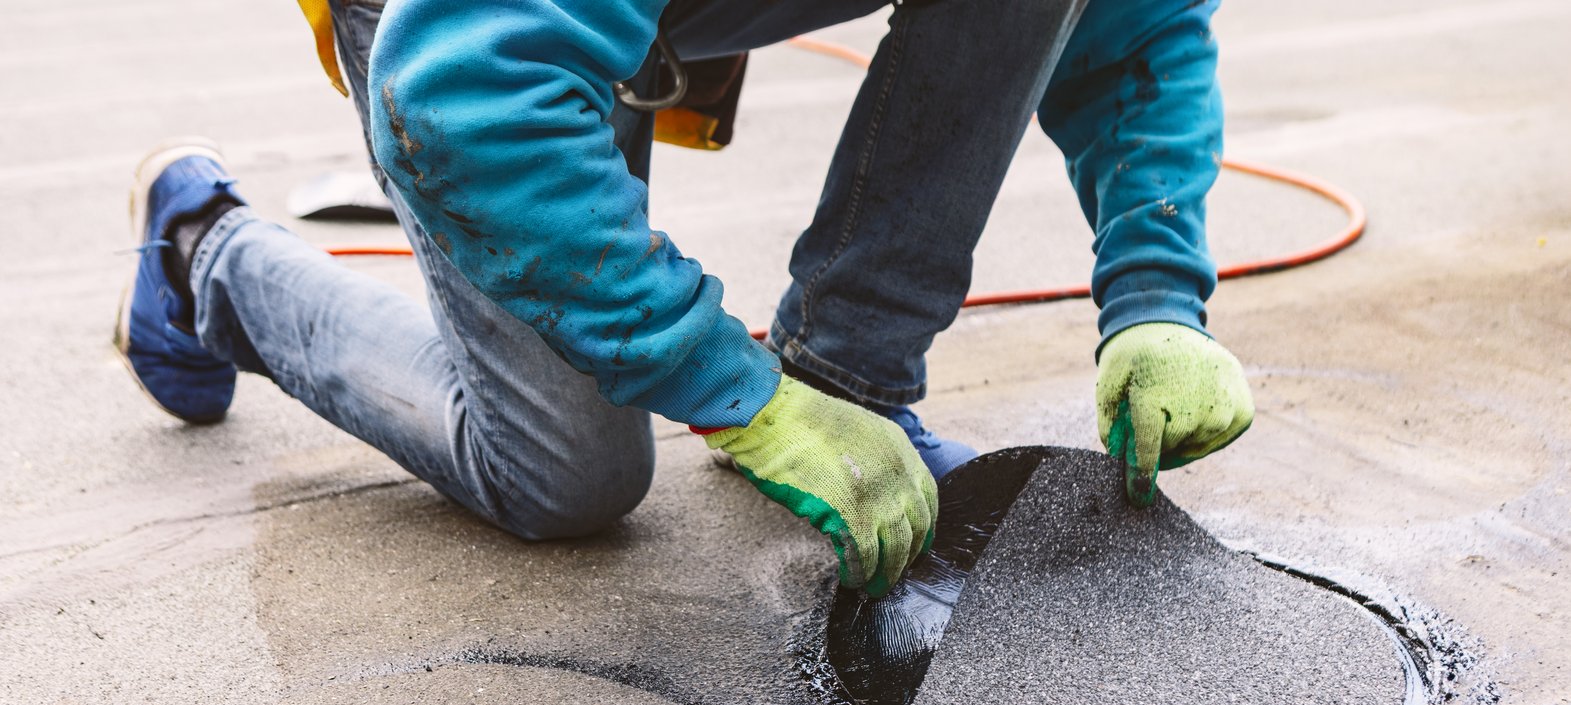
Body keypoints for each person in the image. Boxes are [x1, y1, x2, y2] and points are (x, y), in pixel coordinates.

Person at [114, 0, 1253, 599]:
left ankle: (848, 376)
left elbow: (1136, 21)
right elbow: (464, 98)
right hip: (454, 28)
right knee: (566, 480)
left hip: (601, 17)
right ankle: (202, 253)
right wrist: (734, 396)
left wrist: (1155, 292)